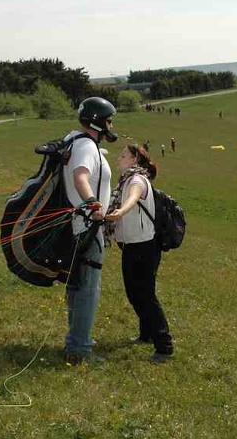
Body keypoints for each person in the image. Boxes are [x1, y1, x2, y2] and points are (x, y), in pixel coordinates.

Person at [106, 144, 174, 363]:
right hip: (131, 245)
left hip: (145, 246)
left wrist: (121, 211)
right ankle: (146, 334)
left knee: (145, 294)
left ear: (135, 160)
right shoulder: (124, 181)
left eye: (124, 155)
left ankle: (164, 346)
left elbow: (133, 198)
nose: (119, 158)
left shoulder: (138, 180)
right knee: (134, 292)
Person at [62, 97, 117, 365]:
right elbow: (81, 176)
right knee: (88, 289)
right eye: (109, 119)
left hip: (79, 225)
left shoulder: (80, 143)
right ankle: (79, 348)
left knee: (78, 286)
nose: (111, 124)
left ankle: (76, 339)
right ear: (98, 120)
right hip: (87, 226)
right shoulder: (85, 146)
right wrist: (93, 204)